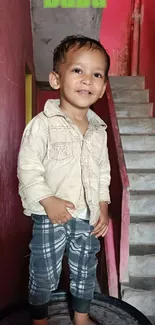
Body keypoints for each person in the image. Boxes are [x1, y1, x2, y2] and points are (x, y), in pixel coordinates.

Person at [17, 35, 111, 325]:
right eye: (77, 70)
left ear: (104, 87)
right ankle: (40, 320)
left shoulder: (99, 131)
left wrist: (103, 206)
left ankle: (81, 318)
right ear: (56, 80)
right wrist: (47, 200)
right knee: (44, 271)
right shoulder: (41, 125)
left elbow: (103, 172)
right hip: (51, 217)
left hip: (87, 218)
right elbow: (28, 167)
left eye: (97, 74)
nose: (87, 80)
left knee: (85, 271)